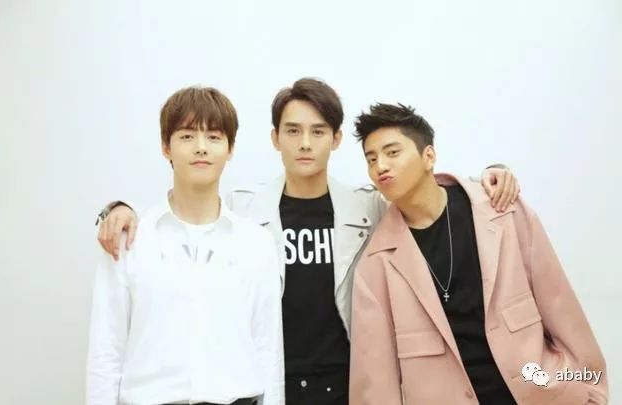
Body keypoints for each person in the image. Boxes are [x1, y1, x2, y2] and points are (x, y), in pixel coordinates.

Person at [95, 78, 520, 405]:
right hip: (274, 385)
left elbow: (419, 190)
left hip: (348, 384)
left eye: (318, 132)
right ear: (274, 138)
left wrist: (486, 178)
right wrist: (117, 210)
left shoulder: (367, 208)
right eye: (293, 130)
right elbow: (191, 210)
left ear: (336, 139)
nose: (304, 144)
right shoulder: (245, 212)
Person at [348, 102, 608, 404]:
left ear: (429, 156)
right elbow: (376, 382)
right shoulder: (375, 265)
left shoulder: (503, 212)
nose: (380, 166)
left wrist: (591, 394)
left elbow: (562, 310)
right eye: (371, 159)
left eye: (392, 152)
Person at [86, 86, 284, 405]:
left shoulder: (256, 243)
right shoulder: (129, 239)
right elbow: (106, 352)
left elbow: (268, 350)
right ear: (166, 146)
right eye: (187, 136)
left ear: (230, 148)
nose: (201, 148)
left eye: (214, 137)